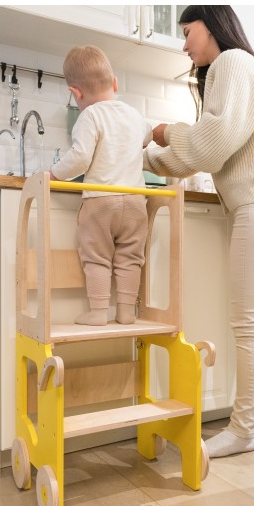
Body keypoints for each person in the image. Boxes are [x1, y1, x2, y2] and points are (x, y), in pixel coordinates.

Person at [144, 5, 254, 458]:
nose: (184, 43)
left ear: (211, 25)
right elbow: (207, 151)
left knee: (250, 325)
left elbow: (207, 148)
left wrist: (162, 131)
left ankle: (243, 428)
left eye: (188, 31)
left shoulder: (232, 62)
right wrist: (148, 158)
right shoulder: (240, 67)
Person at [51, 45, 153, 326]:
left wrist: (54, 174)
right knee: (131, 257)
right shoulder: (134, 115)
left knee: (96, 257)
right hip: (135, 201)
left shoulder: (90, 116)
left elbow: (80, 158)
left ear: (76, 93)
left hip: (100, 202)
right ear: (115, 83)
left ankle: (98, 312)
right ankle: (125, 312)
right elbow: (146, 138)